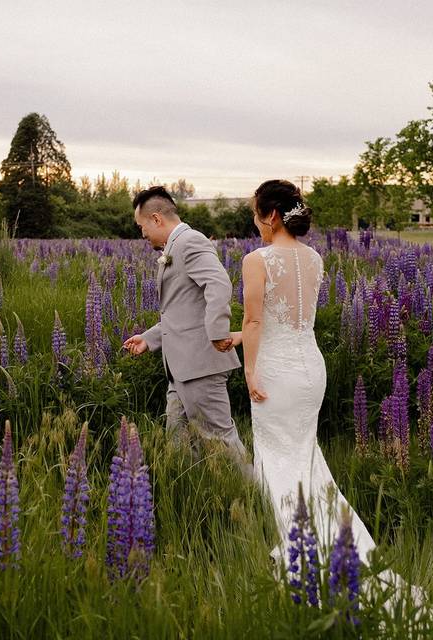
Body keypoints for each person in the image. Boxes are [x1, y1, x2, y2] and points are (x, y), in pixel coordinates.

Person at [228, 179, 378, 561]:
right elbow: (291, 320)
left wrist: (248, 371)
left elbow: (257, 320)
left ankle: (299, 552)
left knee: (277, 457)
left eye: (257, 214)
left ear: (273, 216)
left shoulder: (256, 260)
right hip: (310, 369)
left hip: (276, 372)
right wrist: (239, 336)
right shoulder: (315, 259)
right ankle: (338, 542)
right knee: (305, 455)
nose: (256, 222)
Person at [123, 186, 253, 476]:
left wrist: (219, 332)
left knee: (221, 440)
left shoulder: (190, 242)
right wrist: (149, 338)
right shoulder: (173, 248)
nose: (141, 234)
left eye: (142, 226)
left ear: (156, 219)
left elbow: (219, 284)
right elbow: (181, 309)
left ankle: (258, 502)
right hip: (180, 369)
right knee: (179, 444)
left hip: (200, 366)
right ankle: (193, 497)